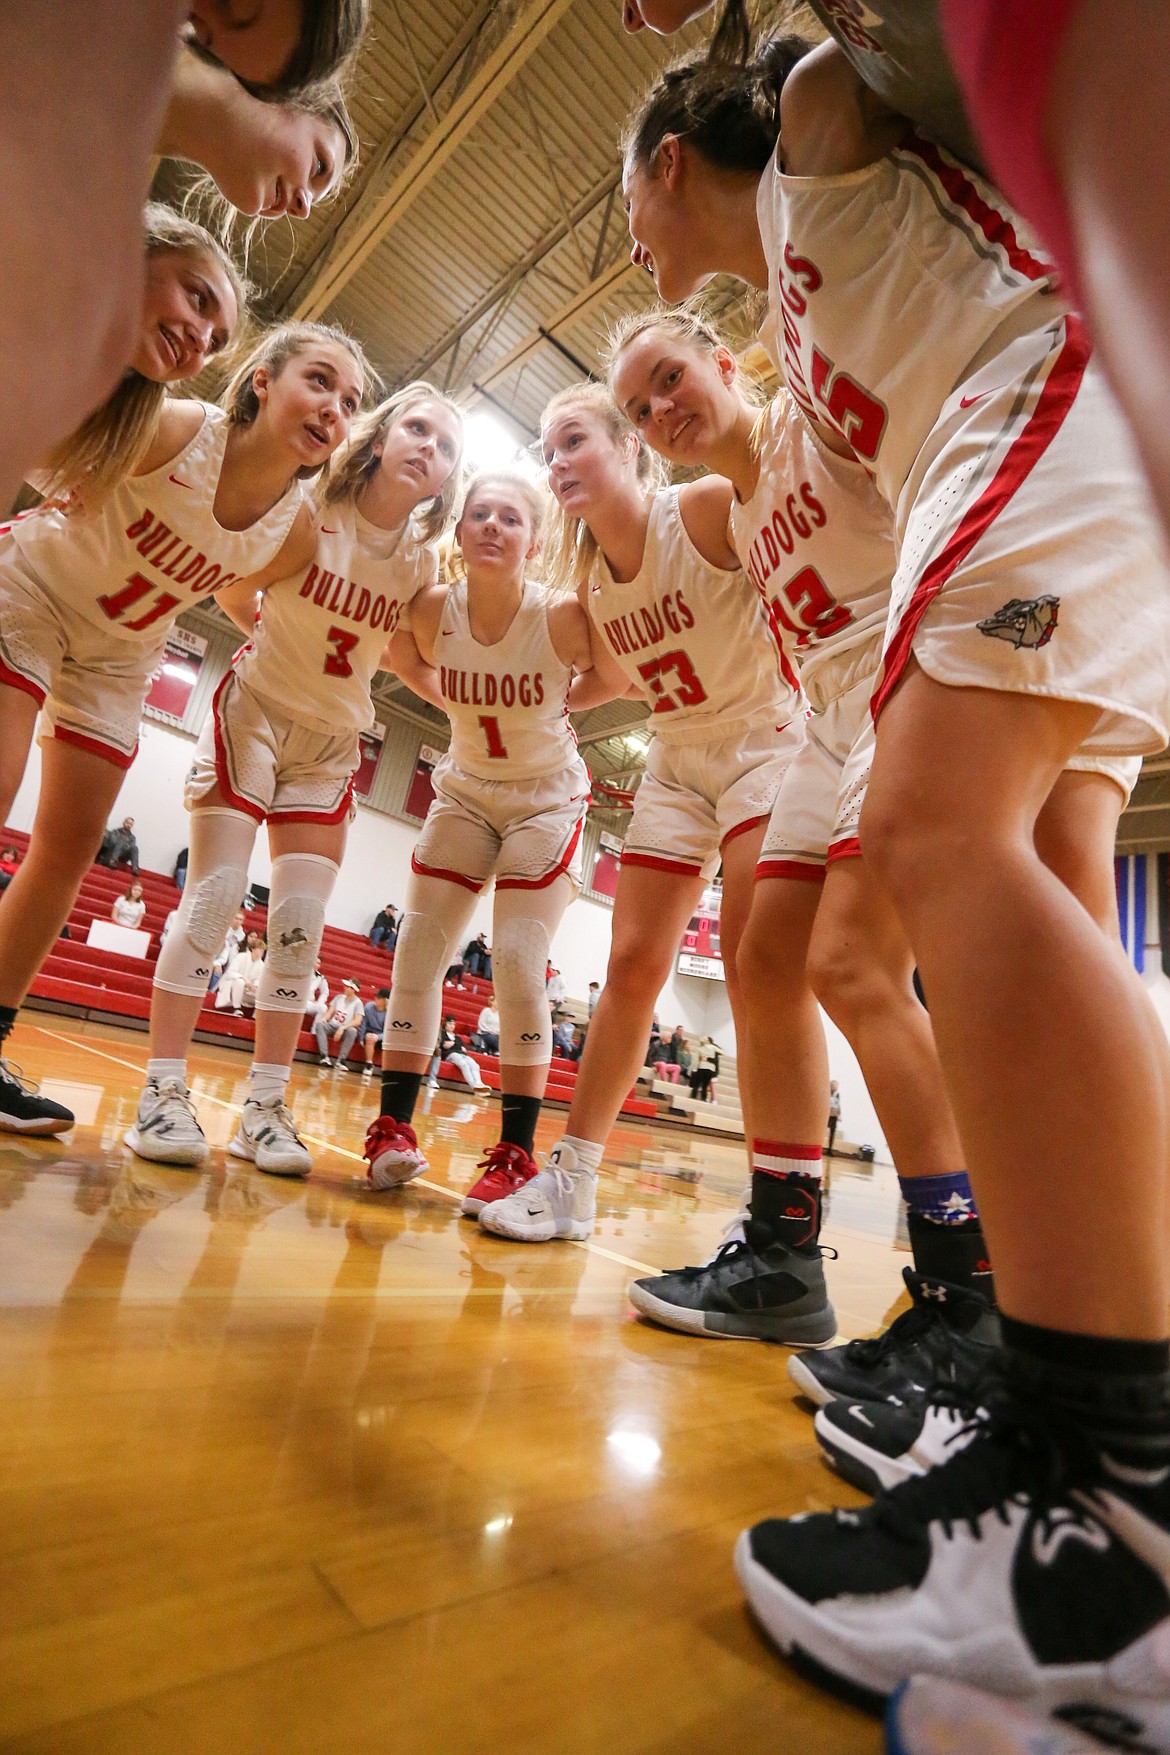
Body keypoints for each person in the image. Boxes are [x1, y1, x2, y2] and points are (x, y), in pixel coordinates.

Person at [621, 32, 1170, 1730]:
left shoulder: (805, 125)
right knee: (1046, 882)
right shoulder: (784, 319)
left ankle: (1111, 1494)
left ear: (662, 164)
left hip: (1053, 396)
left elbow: (861, 55)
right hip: (1048, 446)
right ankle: (1072, 1379)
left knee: (943, 846)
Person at [476, 381, 803, 1252]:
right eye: (547, 451)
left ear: (629, 447)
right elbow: (616, 679)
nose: (556, 463)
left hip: (766, 742)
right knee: (628, 962)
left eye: (572, 439)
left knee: (751, 962)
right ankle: (572, 1179)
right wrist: (534, 709)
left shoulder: (697, 510)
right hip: (677, 758)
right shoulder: (587, 583)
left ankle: (780, 1207)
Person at [129, 376, 461, 1176]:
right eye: (417, 428)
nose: (430, 448)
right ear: (380, 438)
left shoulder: (421, 564)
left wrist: (498, 712)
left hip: (332, 741)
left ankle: (265, 1106)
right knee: (213, 899)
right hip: (257, 711)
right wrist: (281, 645)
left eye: (447, 445)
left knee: (301, 928)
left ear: (448, 479)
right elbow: (234, 583)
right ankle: (161, 1090)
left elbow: (416, 662)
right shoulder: (311, 510)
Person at [0, 208, 249, 1138]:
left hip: (119, 655)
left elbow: (259, 592)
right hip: (34, 593)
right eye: (194, 298)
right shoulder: (166, 418)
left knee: (64, 853)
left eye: (216, 335)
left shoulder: (285, 513)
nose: (198, 338)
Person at [364, 470, 610, 1211]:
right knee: (416, 949)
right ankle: (393, 1129)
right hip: (466, 786)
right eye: (480, 515)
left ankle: (515, 1152)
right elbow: (399, 658)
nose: (493, 526)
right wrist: (452, 700)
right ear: (461, 532)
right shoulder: (435, 608)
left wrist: (553, 704)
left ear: (534, 541)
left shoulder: (562, 617)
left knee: (515, 962)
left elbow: (618, 673)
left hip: (546, 796)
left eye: (510, 517)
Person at [429, 1015, 489, 1094]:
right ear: (445, 1024)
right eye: (450, 1024)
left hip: (461, 1054)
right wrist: (446, 1045)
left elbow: (463, 1048)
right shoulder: (442, 1034)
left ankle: (479, 1083)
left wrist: (460, 1047)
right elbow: (442, 1045)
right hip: (449, 1054)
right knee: (463, 1064)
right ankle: (473, 1086)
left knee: (474, 1065)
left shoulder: (457, 1038)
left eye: (453, 1024)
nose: (452, 1026)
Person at [314, 977, 363, 1067]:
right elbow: (329, 1013)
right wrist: (324, 1019)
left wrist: (342, 1028)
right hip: (332, 1025)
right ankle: (324, 1056)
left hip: (344, 1029)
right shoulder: (338, 997)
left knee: (353, 1031)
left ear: (353, 989)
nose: (344, 987)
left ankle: (341, 1060)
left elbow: (357, 1021)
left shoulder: (358, 1003)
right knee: (320, 1025)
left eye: (347, 986)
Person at [215, 929, 266, 1014]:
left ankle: (255, 1016)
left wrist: (255, 986)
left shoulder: (261, 965)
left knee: (261, 992)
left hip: (247, 990)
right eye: (260, 949)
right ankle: (236, 1008)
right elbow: (230, 972)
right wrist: (245, 980)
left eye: (263, 950)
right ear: (253, 949)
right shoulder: (241, 956)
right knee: (240, 982)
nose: (262, 952)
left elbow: (258, 979)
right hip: (232, 984)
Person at [356, 987, 389, 1078]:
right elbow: (363, 1024)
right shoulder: (368, 1007)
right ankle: (369, 1065)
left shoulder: (389, 1013)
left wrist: (378, 1037)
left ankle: (387, 1069)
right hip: (370, 1033)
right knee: (369, 1037)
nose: (376, 999)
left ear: (385, 1001)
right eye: (376, 997)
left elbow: (389, 1032)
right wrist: (361, 1038)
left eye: (379, 998)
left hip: (383, 1036)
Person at [689, 1037, 719, 1102]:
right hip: (710, 1070)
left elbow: (696, 1060)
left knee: (698, 1084)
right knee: (704, 1085)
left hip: (703, 1068)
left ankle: (694, 1096)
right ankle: (703, 1098)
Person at [826, 1079, 841, 1156]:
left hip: (834, 1115)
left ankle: (830, 1149)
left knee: (832, 1133)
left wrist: (839, 1115)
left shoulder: (837, 1095)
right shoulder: (827, 1094)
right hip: (827, 1115)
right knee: (823, 1132)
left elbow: (838, 1105)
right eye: (834, 1085)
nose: (836, 1087)